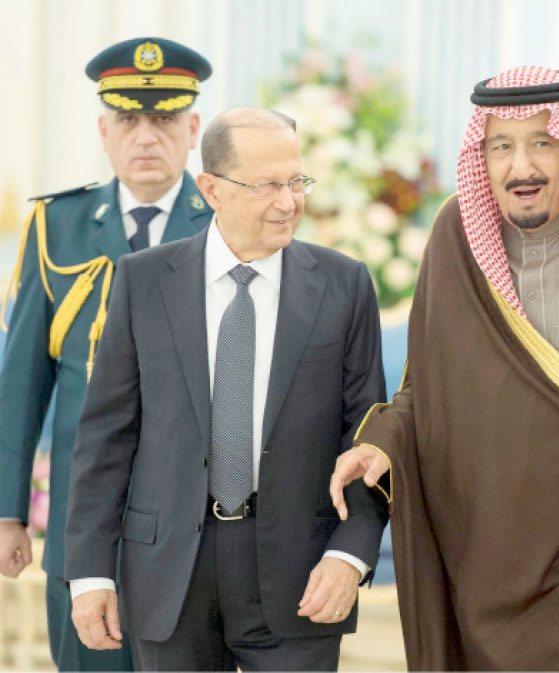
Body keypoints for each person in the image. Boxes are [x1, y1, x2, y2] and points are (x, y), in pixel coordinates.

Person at [330, 66, 559, 671]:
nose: (519, 166)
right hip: (490, 575)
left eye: (541, 144)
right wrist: (383, 448)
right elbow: (427, 392)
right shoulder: (457, 235)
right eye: (500, 146)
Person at [63, 107, 388, 672]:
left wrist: (350, 553)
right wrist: (89, 573)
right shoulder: (142, 281)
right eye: (266, 185)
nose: (288, 202)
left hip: (302, 573)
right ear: (211, 189)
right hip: (168, 572)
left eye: (295, 181)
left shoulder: (345, 284)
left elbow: (369, 436)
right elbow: (105, 438)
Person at [0, 37, 213, 671]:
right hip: (81, 520)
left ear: (193, 128)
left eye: (166, 118)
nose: (146, 136)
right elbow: (21, 387)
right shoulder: (56, 226)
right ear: (103, 129)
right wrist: (8, 512)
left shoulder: (226, 225)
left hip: (195, 527)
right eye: (128, 120)